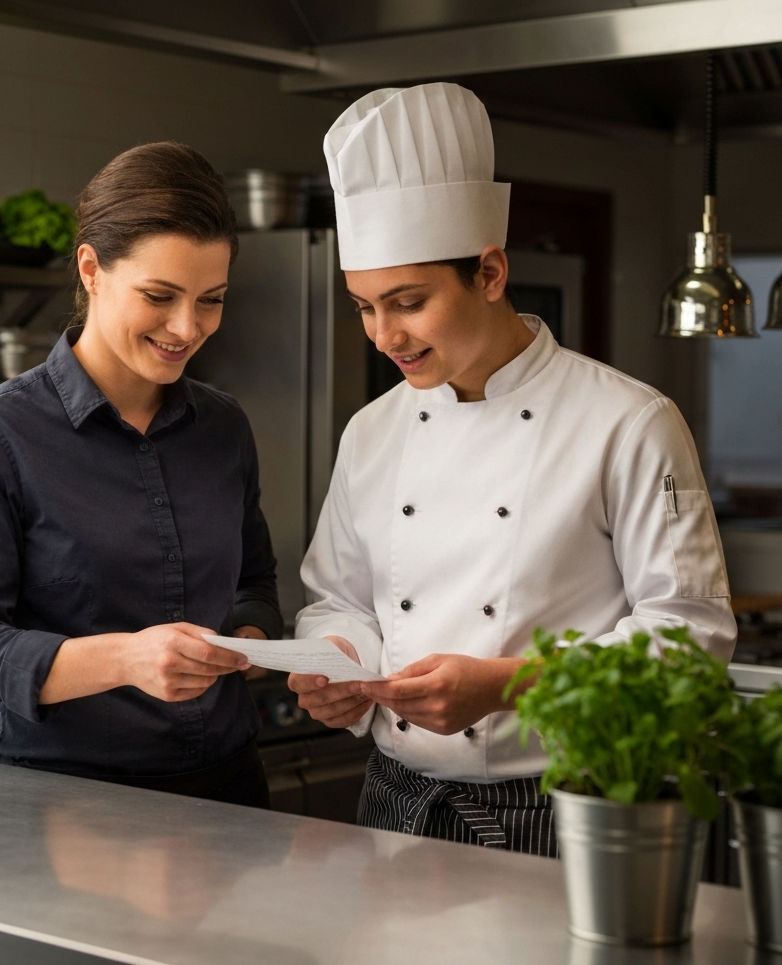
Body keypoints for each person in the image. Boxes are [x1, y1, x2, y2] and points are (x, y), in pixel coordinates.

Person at [289, 83, 736, 855]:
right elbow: (337, 598)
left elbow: (689, 640)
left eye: (408, 301)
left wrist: (505, 685)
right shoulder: (372, 431)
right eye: (363, 305)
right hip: (395, 803)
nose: (383, 334)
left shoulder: (629, 421)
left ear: (490, 273)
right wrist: (337, 665)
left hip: (564, 810)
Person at [0, 142, 281, 807]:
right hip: (65, 805)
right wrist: (127, 660)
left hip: (231, 794)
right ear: (91, 269)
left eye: (211, 300)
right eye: (160, 296)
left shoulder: (225, 427)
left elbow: (253, 583)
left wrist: (248, 641)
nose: (187, 327)